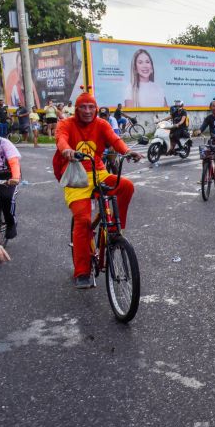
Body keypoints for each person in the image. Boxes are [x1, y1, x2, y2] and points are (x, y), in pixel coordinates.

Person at [55, 89, 143, 288]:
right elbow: (61, 139)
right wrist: (66, 150)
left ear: (96, 108)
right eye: (83, 107)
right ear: (76, 109)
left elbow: (115, 140)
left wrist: (127, 152)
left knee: (126, 186)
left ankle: (116, 230)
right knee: (83, 221)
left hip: (99, 172)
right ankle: (82, 272)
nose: (87, 111)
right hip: (76, 177)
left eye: (91, 107)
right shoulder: (66, 124)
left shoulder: (101, 124)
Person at [0, 117, 21, 240]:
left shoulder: (4, 143)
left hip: (8, 175)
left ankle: (11, 223)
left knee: (6, 198)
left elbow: (14, 162)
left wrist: (15, 178)